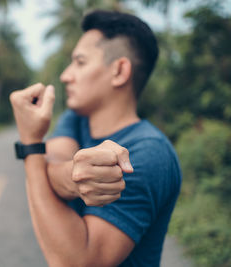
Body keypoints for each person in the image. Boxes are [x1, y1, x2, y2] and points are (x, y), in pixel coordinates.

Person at [10, 9, 181, 267]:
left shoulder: (147, 152)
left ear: (119, 71)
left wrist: (32, 143)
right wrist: (73, 176)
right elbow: (52, 162)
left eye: (80, 62)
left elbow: (79, 262)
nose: (66, 75)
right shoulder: (76, 118)